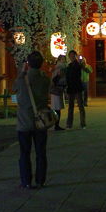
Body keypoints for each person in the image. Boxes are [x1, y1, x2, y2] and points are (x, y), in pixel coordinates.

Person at [12, 51, 51, 189]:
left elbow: (14, 89)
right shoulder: (45, 79)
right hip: (40, 120)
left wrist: (22, 72)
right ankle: (40, 180)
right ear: (41, 64)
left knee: (24, 153)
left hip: (24, 122)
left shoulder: (22, 80)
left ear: (28, 64)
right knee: (41, 152)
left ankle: (26, 181)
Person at [65, 50, 86, 129]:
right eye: (70, 56)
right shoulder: (69, 65)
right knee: (70, 107)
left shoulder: (78, 64)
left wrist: (82, 62)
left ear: (75, 56)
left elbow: (84, 68)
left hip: (77, 87)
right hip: (71, 87)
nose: (71, 57)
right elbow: (67, 77)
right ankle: (69, 124)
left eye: (73, 55)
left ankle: (83, 123)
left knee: (81, 106)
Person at [50, 55, 67, 131]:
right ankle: (56, 125)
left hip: (56, 89)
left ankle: (56, 124)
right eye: (62, 59)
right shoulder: (61, 67)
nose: (64, 60)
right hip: (58, 89)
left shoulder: (57, 67)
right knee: (57, 108)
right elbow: (56, 79)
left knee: (56, 108)